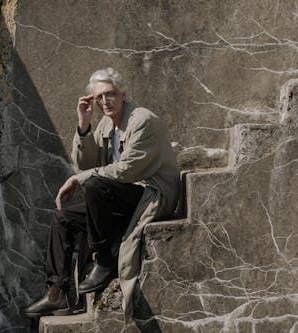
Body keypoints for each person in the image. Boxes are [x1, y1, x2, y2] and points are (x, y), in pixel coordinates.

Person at [23, 67, 180, 317]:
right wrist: (84, 126)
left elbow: (126, 172)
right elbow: (88, 163)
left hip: (150, 194)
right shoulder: (108, 123)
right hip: (119, 195)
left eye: (110, 94)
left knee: (96, 185)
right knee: (62, 218)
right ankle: (57, 293)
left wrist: (78, 179)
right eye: (99, 97)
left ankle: (105, 260)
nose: (105, 102)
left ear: (122, 94)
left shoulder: (142, 120)